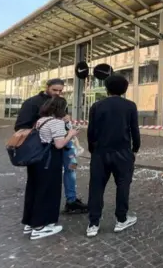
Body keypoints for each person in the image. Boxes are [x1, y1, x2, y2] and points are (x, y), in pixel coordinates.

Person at [14, 78, 87, 219]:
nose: (58, 93)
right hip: (46, 149)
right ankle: (41, 217)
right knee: (46, 181)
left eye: (60, 90)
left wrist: (65, 120)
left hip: (65, 144)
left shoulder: (60, 101)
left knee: (71, 169)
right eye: (55, 90)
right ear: (47, 87)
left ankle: (71, 200)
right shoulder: (32, 102)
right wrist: (47, 125)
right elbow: (20, 127)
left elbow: (60, 123)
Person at [86, 74, 140, 237]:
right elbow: (134, 130)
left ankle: (93, 223)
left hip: (100, 152)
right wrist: (135, 148)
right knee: (123, 185)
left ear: (106, 88)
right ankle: (121, 219)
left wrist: (92, 149)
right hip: (122, 151)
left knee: (96, 187)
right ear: (124, 89)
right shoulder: (130, 106)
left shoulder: (96, 106)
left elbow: (91, 131)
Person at [22, 97, 78, 240]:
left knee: (34, 189)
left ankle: (30, 222)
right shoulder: (57, 123)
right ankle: (41, 226)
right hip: (49, 161)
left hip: (36, 161)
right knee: (48, 191)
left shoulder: (41, 120)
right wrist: (70, 134)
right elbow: (59, 144)